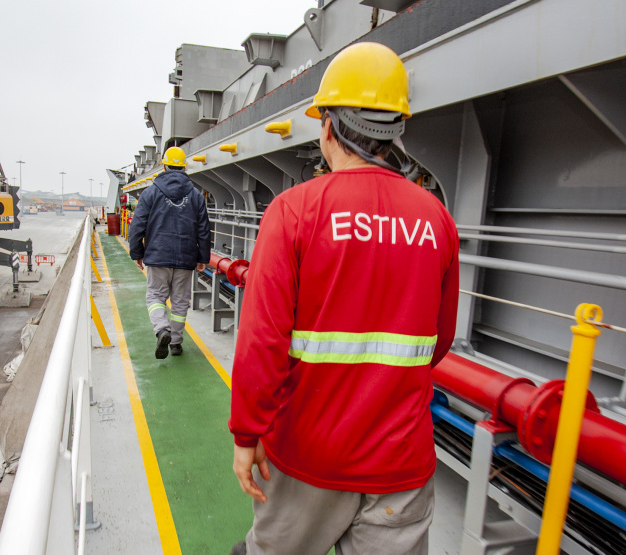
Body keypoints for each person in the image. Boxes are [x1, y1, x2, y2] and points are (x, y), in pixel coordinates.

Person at [228, 42, 460, 555]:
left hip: (310, 454)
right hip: (401, 460)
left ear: (329, 127)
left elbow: (262, 340)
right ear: (396, 132)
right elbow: (439, 340)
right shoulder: (436, 219)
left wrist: (247, 434)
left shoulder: (294, 211)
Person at [128, 146, 211, 359]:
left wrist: (137, 252)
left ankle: (161, 329)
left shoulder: (150, 193)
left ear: (163, 166)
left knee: (155, 296)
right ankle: (175, 343)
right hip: (185, 258)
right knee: (180, 301)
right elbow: (203, 229)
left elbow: (137, 225)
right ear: (184, 168)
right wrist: (203, 257)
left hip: (157, 256)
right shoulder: (196, 195)